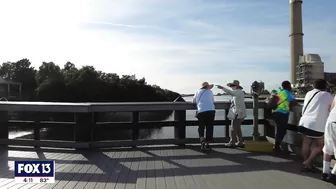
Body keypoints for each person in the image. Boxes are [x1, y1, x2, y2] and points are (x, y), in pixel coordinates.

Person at [298, 79, 333, 172]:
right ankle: (308, 162)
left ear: (314, 86)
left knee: (306, 143)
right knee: (320, 146)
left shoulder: (308, 93)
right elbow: (332, 107)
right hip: (317, 124)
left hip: (304, 122)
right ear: (325, 86)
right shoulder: (328, 95)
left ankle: (307, 165)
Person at [217, 80, 246, 147]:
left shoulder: (238, 92)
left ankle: (232, 142)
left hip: (238, 113)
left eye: (232, 86)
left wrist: (222, 88)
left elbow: (231, 92)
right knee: (238, 128)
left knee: (233, 128)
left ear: (236, 86)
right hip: (239, 112)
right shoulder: (238, 92)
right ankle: (240, 142)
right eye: (231, 86)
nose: (231, 87)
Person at [272, 80, 296, 153]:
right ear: (289, 86)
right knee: (282, 130)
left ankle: (277, 145)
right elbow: (294, 101)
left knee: (279, 129)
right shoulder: (287, 93)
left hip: (275, 112)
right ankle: (276, 147)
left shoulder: (278, 91)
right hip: (282, 113)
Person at [192, 82, 216, 151]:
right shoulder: (210, 92)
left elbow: (193, 101)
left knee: (201, 126)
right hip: (211, 110)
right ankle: (208, 143)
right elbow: (213, 101)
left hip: (201, 111)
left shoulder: (197, 92)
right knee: (209, 127)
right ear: (207, 86)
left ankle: (202, 141)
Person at [322, 95, 336, 184]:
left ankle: (325, 173)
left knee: (328, 149)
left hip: (330, 121)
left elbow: (331, 107)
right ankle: (333, 176)